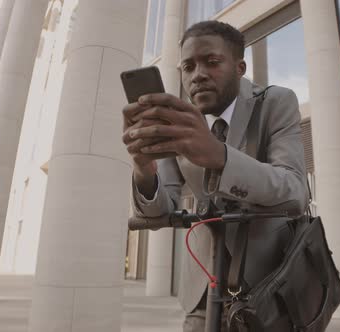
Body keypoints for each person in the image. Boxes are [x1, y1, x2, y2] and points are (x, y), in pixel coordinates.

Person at [122, 20, 308, 331]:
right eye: (188, 66)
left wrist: (220, 157)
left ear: (240, 67)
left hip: (268, 284)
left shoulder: (277, 102)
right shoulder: (178, 122)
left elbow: (294, 190)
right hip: (202, 288)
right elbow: (161, 210)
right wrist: (144, 167)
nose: (198, 75)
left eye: (212, 62)